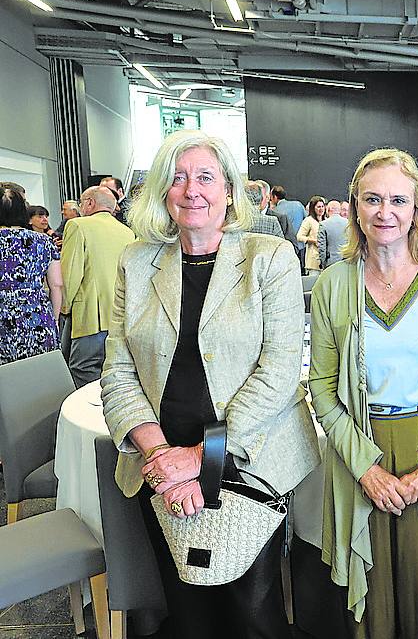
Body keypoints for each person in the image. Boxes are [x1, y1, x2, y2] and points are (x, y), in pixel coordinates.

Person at [101, 130, 320, 639]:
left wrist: (201, 458)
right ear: (161, 191)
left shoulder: (270, 257)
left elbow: (281, 371)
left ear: (228, 190)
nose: (191, 189)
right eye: (178, 178)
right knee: (187, 612)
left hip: (250, 457)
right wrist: (164, 460)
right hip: (160, 461)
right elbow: (118, 370)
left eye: (205, 177)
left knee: (252, 617)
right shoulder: (137, 262)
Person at [307, 147, 418, 638]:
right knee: (370, 604)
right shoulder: (332, 286)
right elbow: (322, 387)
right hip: (361, 446)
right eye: (372, 199)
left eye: (399, 200)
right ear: (354, 205)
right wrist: (366, 468)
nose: (386, 213)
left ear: (417, 208)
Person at [59, 186, 135, 388]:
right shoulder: (127, 232)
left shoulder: (77, 225)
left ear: (90, 203)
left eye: (82, 202)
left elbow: (70, 274)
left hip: (90, 313)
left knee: (81, 367)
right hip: (120, 315)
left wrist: (63, 308)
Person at [0, 182, 62, 365]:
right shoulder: (43, 241)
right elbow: (57, 285)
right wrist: (54, 318)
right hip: (37, 317)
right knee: (40, 377)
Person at [272, 185, 306, 263]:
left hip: (286, 249)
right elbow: (307, 219)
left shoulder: (275, 212)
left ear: (274, 197)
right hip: (301, 246)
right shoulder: (298, 205)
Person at [298, 195, 326, 275]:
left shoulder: (326, 221)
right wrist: (313, 241)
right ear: (313, 208)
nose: (321, 209)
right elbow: (299, 236)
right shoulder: (309, 220)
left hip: (325, 262)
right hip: (313, 262)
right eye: (318, 207)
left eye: (322, 206)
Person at [316, 199, 348, 269]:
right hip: (346, 262)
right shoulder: (348, 223)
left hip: (330, 263)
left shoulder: (323, 224)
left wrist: (323, 264)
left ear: (328, 209)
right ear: (339, 210)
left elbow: (322, 248)